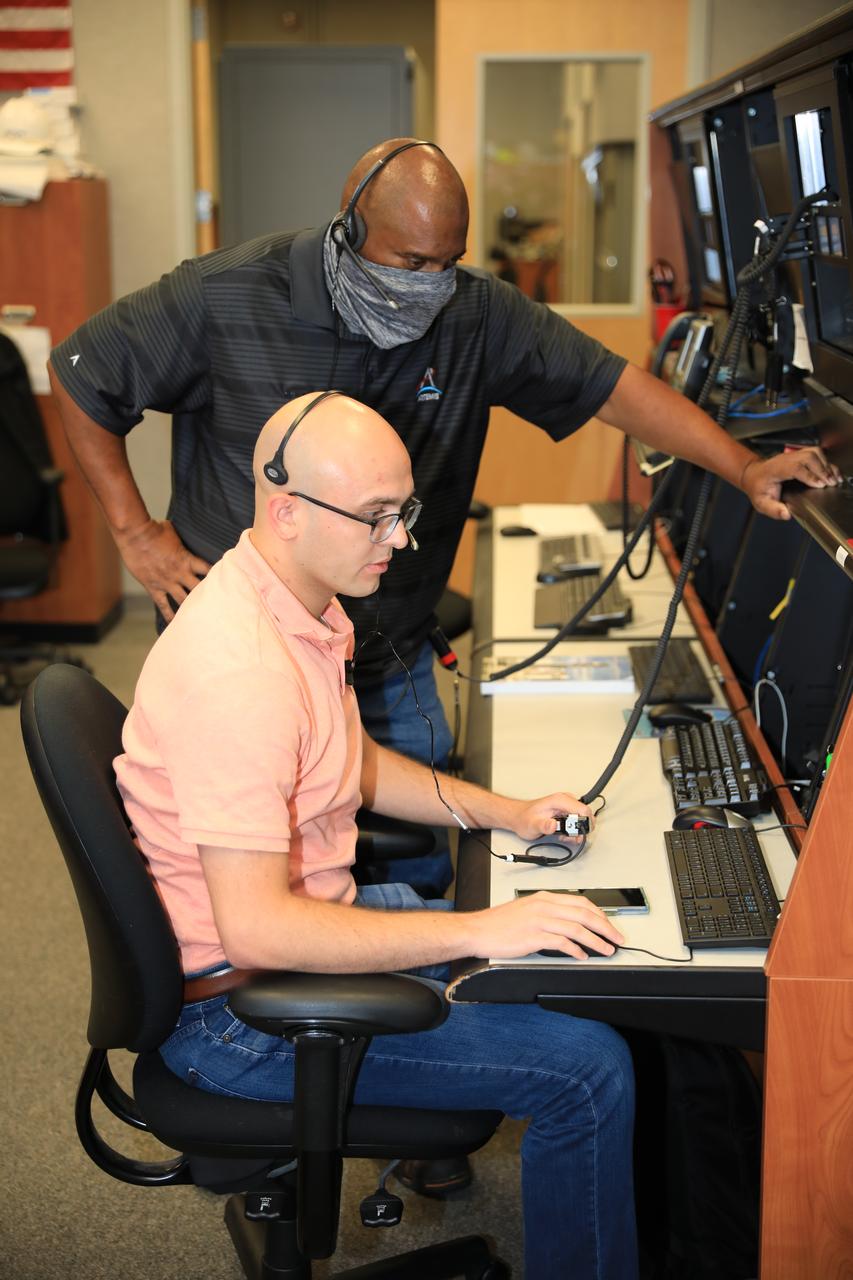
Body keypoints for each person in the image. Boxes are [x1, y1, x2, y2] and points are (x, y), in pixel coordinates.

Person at [48, 135, 841, 908]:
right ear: (350, 230)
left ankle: (415, 986)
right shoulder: (223, 296)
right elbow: (83, 374)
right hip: (252, 662)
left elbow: (609, 387)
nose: (431, 283)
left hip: (388, 641)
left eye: (447, 262)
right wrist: (135, 536)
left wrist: (739, 467)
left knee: (433, 866)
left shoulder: (473, 312)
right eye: (410, 263)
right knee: (255, 878)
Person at [113, 392, 638, 1280]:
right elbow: (258, 930)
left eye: (405, 513)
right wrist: (478, 930)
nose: (402, 540)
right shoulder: (238, 672)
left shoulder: (296, 601)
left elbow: (346, 764)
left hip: (299, 936)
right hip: (243, 1015)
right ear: (285, 511)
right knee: (588, 1069)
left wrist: (501, 812)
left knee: (554, 962)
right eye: (377, 519)